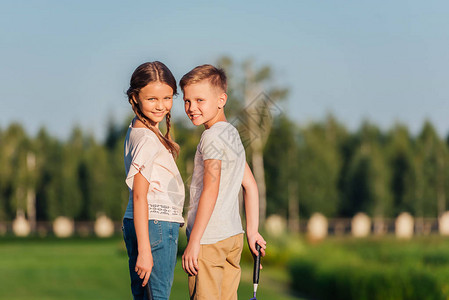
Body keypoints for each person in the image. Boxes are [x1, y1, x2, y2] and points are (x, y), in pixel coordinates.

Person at [180, 64, 267, 300]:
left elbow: (211, 187)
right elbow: (250, 185)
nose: (191, 108)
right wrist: (252, 232)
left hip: (209, 240)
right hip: (233, 238)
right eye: (187, 101)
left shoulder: (211, 137)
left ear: (221, 100)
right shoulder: (232, 135)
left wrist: (195, 240)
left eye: (200, 100)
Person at [122, 61, 185, 300]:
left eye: (167, 98)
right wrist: (145, 250)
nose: (161, 106)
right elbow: (140, 194)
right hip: (154, 224)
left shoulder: (139, 130)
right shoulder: (147, 139)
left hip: (149, 224)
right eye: (152, 99)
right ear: (135, 98)